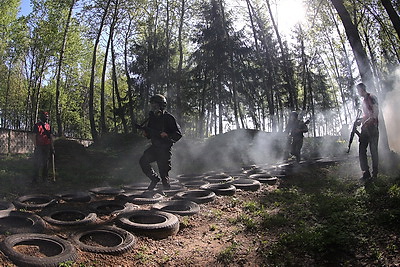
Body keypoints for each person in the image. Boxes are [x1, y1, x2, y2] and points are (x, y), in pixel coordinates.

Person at [137, 94, 182, 190]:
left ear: (162, 105)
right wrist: (146, 134)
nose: (154, 107)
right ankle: (154, 179)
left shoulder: (169, 118)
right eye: (152, 105)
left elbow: (178, 134)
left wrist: (167, 135)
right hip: (155, 148)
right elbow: (150, 134)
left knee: (164, 173)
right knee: (143, 161)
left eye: (156, 105)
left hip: (165, 149)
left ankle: (168, 195)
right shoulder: (152, 118)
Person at [356, 82, 379, 182]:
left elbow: (375, 112)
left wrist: (368, 120)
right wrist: (360, 121)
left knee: (373, 151)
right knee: (362, 151)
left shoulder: (371, 97)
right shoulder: (364, 101)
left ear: (362, 89)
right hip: (365, 129)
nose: (358, 92)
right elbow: (366, 115)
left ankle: (375, 174)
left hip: (372, 128)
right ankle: (366, 173)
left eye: (358, 90)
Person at [32, 111, 54, 183]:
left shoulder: (48, 126)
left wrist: (52, 147)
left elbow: (50, 137)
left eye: (47, 116)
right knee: (37, 162)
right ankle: (35, 179)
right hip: (39, 146)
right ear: (42, 117)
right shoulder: (37, 125)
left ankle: (44, 178)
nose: (46, 117)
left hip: (46, 146)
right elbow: (34, 136)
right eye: (45, 116)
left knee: (46, 163)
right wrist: (35, 146)